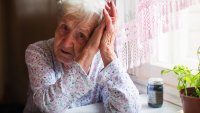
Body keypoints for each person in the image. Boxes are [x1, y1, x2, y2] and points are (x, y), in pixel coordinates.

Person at [23, 0, 141, 113]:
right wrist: (88, 53)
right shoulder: (38, 52)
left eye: (81, 35)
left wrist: (107, 50)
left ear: (95, 39)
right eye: (65, 28)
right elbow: (49, 107)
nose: (66, 43)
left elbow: (130, 109)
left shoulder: (102, 64)